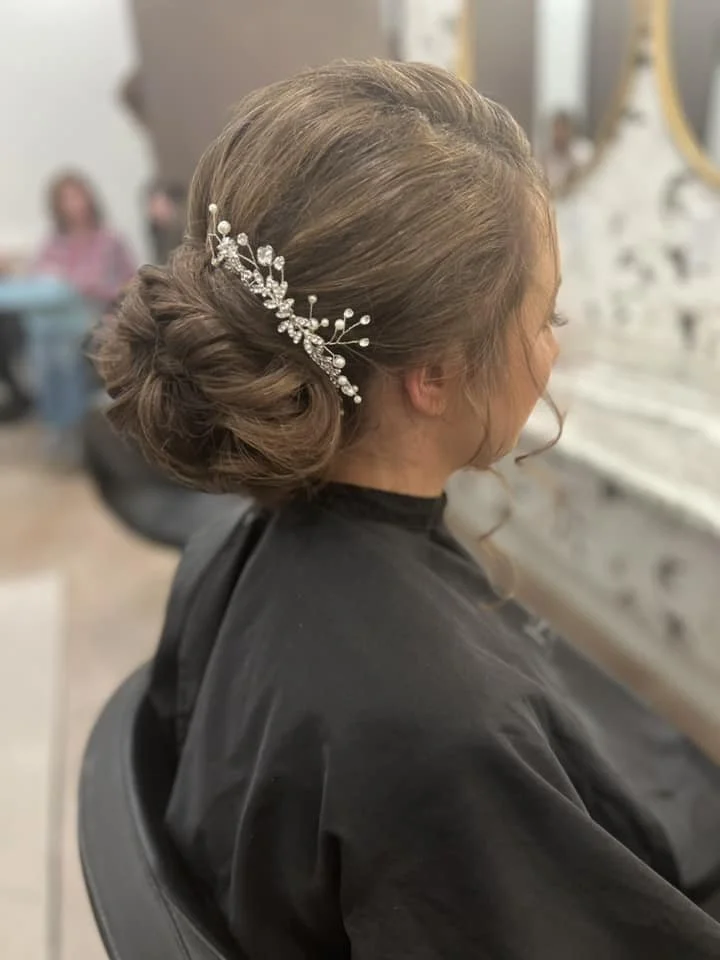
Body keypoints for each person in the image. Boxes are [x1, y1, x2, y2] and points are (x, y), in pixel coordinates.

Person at [94, 60, 720, 957]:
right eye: (546, 318)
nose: (555, 350)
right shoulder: (444, 735)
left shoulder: (230, 553)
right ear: (432, 376)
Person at [0, 172, 135, 461]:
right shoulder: (53, 243)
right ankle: (63, 424)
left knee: (54, 346)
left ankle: (67, 427)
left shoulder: (110, 241)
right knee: (45, 342)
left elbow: (131, 283)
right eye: (66, 198)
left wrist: (92, 287)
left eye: (77, 195)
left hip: (97, 314)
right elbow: (38, 280)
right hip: (56, 324)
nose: (74, 204)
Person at [541, 109, 594, 195]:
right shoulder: (546, 158)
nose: (560, 134)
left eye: (563, 129)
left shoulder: (580, 155)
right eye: (557, 129)